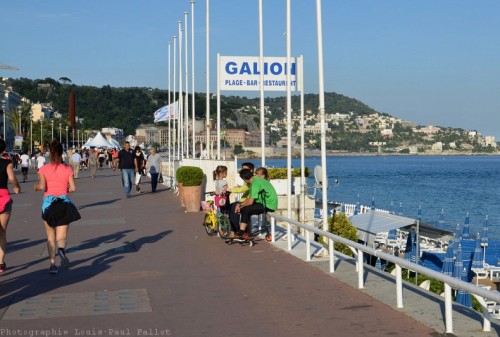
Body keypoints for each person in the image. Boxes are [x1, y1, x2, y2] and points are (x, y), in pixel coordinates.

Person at [34, 140, 80, 274]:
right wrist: (64, 189)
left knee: (50, 237)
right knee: (61, 237)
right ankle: (61, 250)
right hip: (64, 204)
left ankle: (52, 264)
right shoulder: (67, 169)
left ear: (50, 153)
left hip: (48, 205)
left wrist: (35, 187)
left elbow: (42, 186)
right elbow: (73, 188)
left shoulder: (43, 169)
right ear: (61, 153)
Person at [234, 168, 277, 240]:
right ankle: (244, 232)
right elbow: (250, 198)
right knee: (245, 209)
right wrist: (240, 204)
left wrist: (241, 206)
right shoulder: (255, 180)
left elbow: (250, 201)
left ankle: (242, 233)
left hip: (268, 205)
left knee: (245, 210)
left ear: (244, 179)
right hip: (264, 202)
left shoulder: (254, 183)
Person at [0, 140, 20, 273]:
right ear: (4, 149)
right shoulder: (7, 163)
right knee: (2, 231)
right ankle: (0, 262)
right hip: (3, 196)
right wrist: (16, 186)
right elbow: (12, 178)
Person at [228, 162, 255, 235]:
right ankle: (235, 230)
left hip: (250, 200)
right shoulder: (248, 179)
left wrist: (230, 190)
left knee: (234, 208)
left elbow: (242, 189)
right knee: (232, 206)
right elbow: (245, 190)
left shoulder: (251, 180)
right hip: (246, 200)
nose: (243, 170)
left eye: (245, 169)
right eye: (242, 169)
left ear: (251, 170)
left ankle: (234, 231)